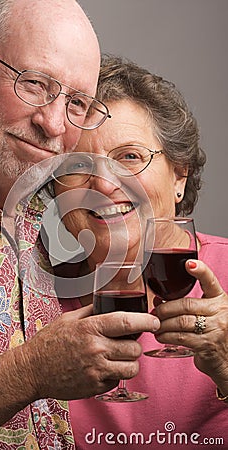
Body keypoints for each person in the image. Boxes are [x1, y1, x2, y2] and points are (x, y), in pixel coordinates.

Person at [0, 3, 161, 448]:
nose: (53, 124)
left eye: (76, 103)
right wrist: (29, 373)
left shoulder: (35, 217)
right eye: (34, 84)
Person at [53, 55, 228, 449]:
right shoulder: (25, 300)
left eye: (129, 157)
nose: (105, 184)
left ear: (179, 175)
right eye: (78, 165)